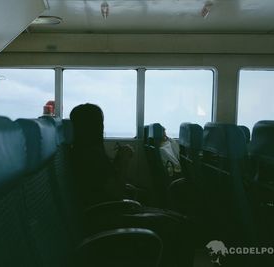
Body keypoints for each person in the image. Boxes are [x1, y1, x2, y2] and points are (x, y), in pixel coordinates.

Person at [69, 103, 195, 267]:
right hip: (105, 218)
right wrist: (124, 161)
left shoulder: (82, 150)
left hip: (105, 212)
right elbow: (116, 193)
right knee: (182, 226)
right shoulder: (89, 156)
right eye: (100, 123)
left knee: (180, 221)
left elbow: (103, 185)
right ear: (93, 126)